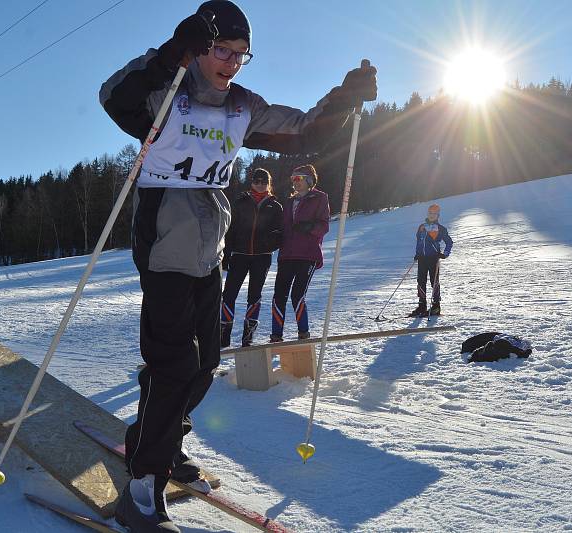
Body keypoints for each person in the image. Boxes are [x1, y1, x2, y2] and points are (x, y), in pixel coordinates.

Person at [98, 1, 377, 530]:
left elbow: (306, 132)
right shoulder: (165, 90)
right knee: (173, 363)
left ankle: (160, 441)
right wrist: (168, 55)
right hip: (163, 245)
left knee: (205, 364)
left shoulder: (242, 106)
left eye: (240, 54)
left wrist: (344, 98)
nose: (229, 62)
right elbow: (114, 97)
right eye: (221, 49)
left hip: (209, 248)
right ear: (199, 47)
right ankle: (141, 484)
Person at [220, 168, 283, 347]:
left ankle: (248, 336)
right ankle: (224, 333)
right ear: (252, 182)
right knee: (229, 294)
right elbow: (230, 230)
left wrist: (266, 244)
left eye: (264, 182)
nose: (260, 184)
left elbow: (279, 234)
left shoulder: (275, 205)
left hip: (261, 258)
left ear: (269, 184)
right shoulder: (241, 202)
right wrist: (225, 254)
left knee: (254, 295)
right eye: (257, 181)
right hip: (239, 255)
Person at [270, 164, 330, 342]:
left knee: (297, 295)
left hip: (307, 254)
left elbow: (324, 226)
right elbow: (284, 227)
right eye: (293, 179)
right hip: (286, 255)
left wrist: (310, 227)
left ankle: (303, 333)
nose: (295, 182)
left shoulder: (319, 198)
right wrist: (277, 236)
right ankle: (276, 335)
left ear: (309, 180)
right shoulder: (288, 202)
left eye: (299, 178)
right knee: (279, 295)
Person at [410, 204, 453, 317]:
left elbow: (449, 242)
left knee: (434, 282)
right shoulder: (422, 227)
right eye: (430, 213)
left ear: (438, 215)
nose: (431, 215)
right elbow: (419, 241)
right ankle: (422, 305)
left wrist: (445, 254)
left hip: (433, 258)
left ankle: (436, 306)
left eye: (434, 213)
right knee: (421, 281)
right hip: (422, 259)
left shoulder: (441, 228)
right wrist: (417, 254)